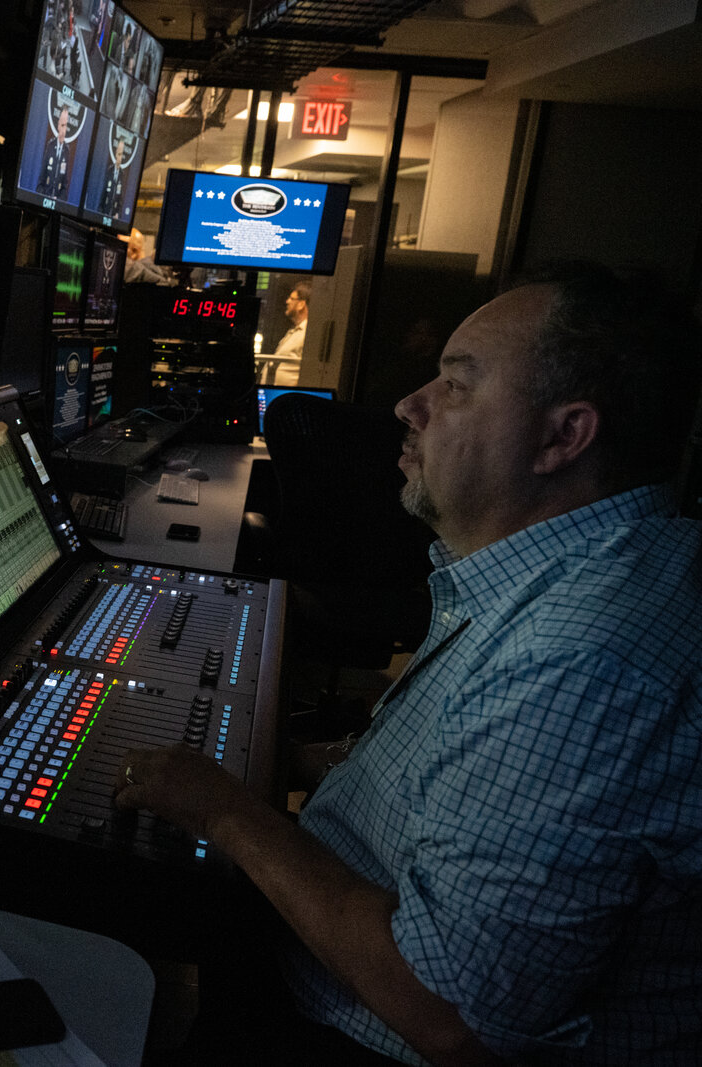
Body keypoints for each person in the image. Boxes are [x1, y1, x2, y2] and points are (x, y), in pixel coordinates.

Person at [115, 262, 702, 1065]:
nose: (408, 405)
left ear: (565, 436)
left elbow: (451, 1013)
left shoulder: (582, 657)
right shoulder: (595, 569)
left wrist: (225, 810)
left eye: (456, 387)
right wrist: (301, 761)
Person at [259, 282, 310, 385]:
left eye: (292, 299)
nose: (287, 302)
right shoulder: (294, 332)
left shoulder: (307, 334)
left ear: (301, 304)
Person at [37, 103, 74, 200]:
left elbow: (64, 187)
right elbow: (41, 181)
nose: (63, 130)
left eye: (65, 126)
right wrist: (45, 197)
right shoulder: (50, 146)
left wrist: (58, 200)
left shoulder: (67, 151)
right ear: (58, 126)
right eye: (62, 125)